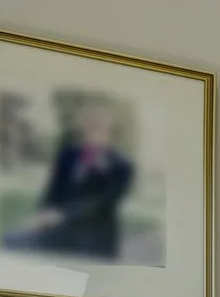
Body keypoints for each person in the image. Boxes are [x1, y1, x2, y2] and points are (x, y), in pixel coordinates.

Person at [8, 100, 135, 260]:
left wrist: (62, 215)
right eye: (89, 126)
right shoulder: (68, 154)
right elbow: (53, 188)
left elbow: (104, 203)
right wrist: (42, 214)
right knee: (13, 242)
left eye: (99, 127)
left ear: (109, 131)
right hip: (57, 231)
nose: (93, 132)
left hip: (94, 237)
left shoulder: (121, 165)